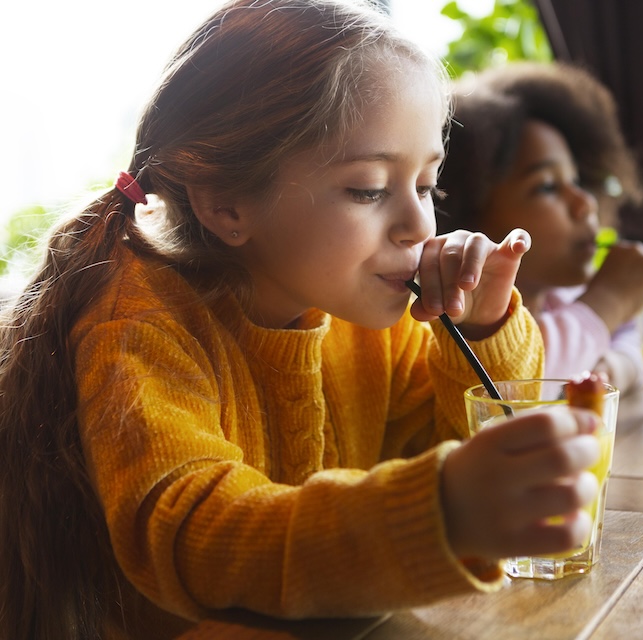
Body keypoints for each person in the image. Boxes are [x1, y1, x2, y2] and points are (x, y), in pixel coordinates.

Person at [0, 3, 605, 638]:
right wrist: (444, 510)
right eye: (369, 189)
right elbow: (198, 539)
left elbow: (446, 453)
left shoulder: (369, 313)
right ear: (226, 204)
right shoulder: (137, 326)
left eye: (427, 185)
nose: (419, 225)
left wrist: (482, 332)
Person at [437, 62, 643, 394]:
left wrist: (613, 367)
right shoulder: (448, 319)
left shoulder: (560, 299)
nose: (585, 203)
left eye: (578, 181)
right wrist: (607, 302)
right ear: (469, 217)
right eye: (547, 187)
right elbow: (510, 388)